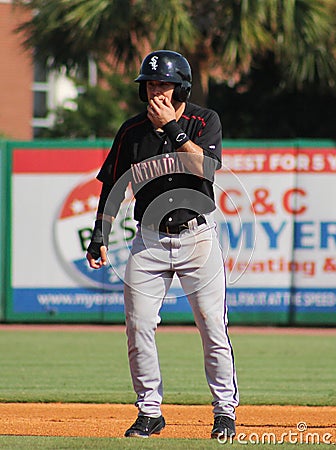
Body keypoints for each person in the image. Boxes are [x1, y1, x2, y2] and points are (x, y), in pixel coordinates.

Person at [86, 50, 239, 440]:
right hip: (148, 239)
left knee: (212, 328)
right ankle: (149, 412)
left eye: (165, 84)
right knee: (138, 327)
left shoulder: (204, 120)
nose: (157, 90)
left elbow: (206, 167)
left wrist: (172, 128)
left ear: (182, 87)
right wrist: (99, 233)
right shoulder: (132, 130)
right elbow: (113, 185)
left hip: (197, 238)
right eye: (151, 84)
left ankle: (224, 413)